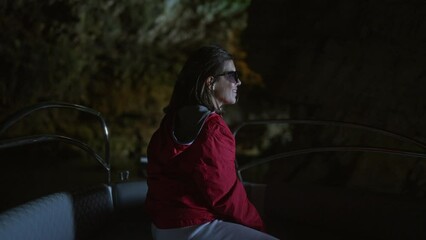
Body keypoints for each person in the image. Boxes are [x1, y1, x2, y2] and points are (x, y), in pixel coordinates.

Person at [146, 45, 279, 240]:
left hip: (162, 226)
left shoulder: (172, 120)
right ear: (211, 82)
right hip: (192, 226)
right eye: (232, 76)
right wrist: (257, 227)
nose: (239, 82)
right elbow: (224, 196)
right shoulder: (213, 129)